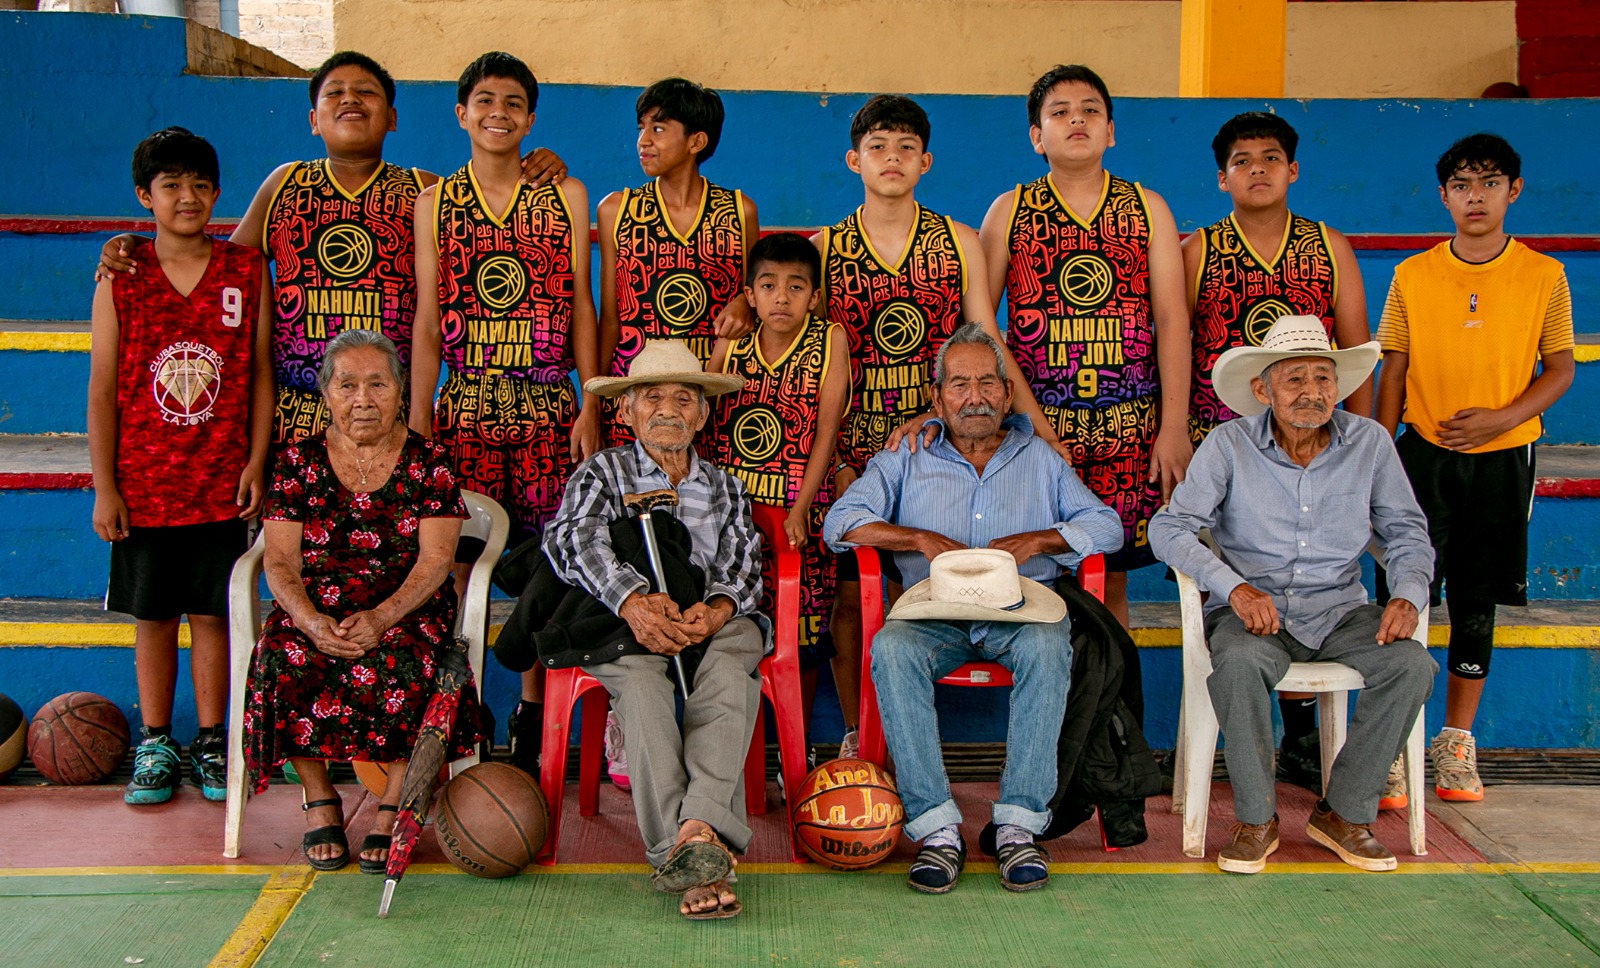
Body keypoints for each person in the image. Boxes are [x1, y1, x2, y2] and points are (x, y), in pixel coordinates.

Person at [93, 51, 568, 447]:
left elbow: (499, 229)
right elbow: (216, 267)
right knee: (295, 553)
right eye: (335, 92)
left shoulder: (427, 192)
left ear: (393, 118)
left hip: (390, 413)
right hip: (297, 415)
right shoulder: (285, 184)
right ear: (313, 119)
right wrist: (140, 243)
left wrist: (539, 162)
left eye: (366, 92)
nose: (350, 100)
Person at [824, 324, 1123, 894]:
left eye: (988, 382)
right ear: (937, 398)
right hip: (934, 615)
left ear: (1008, 394)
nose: (976, 396)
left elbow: (1106, 526)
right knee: (890, 648)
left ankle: (1017, 826)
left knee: (1047, 644)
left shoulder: (1040, 458)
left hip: (1022, 612)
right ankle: (936, 829)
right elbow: (841, 523)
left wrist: (1039, 540)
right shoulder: (906, 457)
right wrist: (916, 538)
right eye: (959, 384)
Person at [1149, 315, 1437, 874]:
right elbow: (1170, 527)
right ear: (1263, 390)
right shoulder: (1230, 445)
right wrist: (1232, 588)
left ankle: (1344, 812)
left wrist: (1406, 592)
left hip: (1340, 610)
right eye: (1295, 380)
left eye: (1323, 379)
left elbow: (1405, 532)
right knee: (1236, 662)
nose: (1312, 393)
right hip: (1254, 615)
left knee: (1412, 666)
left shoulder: (1371, 443)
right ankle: (1256, 819)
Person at [815, 94, 1047, 758]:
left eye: (906, 148)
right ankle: (866, 735)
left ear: (926, 162)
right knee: (855, 598)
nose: (892, 159)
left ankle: (917, 739)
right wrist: (831, 457)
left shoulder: (959, 240)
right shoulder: (826, 247)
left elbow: (986, 343)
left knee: (942, 584)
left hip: (940, 446)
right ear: (854, 159)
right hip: (853, 447)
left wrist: (1028, 424)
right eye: (879, 147)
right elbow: (813, 357)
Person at [409, 52, 601, 776]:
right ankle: (465, 703)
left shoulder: (566, 194)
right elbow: (429, 321)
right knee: (461, 566)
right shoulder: (434, 202)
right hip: (469, 405)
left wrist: (590, 396)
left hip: (550, 404)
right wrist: (423, 422)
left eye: (514, 101)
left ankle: (528, 708)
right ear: (461, 114)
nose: (498, 112)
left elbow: (582, 305)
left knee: (546, 564)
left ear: (530, 117)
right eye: (483, 100)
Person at [1375, 133, 1575, 802]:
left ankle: (1455, 745)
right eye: (1462, 184)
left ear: (1513, 191)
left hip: (1501, 459)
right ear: (1444, 196)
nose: (1475, 196)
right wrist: (1378, 450)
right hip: (1422, 459)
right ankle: (1393, 744)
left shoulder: (1544, 274)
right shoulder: (1412, 274)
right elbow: (1394, 369)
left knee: (1475, 603)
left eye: (1490, 182)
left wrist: (1501, 418)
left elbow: (1562, 369)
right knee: (1402, 596)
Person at [1183, 111, 1375, 798]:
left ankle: (1301, 745)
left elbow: (1356, 353)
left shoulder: (1327, 248)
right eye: (1242, 159)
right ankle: (1251, 748)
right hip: (1227, 449)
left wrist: (1360, 447)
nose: (1258, 168)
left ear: (1293, 170)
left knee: (1311, 576)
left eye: (1271, 157)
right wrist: (1175, 430)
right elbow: (1177, 341)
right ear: (1222, 176)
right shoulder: (1199, 248)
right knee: (1249, 589)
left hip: (1314, 446)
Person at [244, 329, 484, 873]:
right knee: (282, 652)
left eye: (378, 384)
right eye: (347, 384)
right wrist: (308, 620)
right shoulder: (297, 461)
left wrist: (381, 616)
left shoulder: (429, 462)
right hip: (318, 604)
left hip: (405, 605)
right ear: (325, 393)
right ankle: (318, 796)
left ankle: (392, 801)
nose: (362, 399)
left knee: (407, 657)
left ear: (400, 391)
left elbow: (436, 561)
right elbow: (279, 562)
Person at [543, 340, 765, 920]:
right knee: (641, 688)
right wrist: (633, 600)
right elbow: (571, 540)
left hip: (711, 621)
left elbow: (743, 562)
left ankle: (693, 835)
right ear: (627, 411)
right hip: (625, 624)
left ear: (702, 414)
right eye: (652, 398)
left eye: (683, 398)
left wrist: (715, 610)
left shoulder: (724, 486)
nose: (667, 409)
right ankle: (688, 847)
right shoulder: (604, 471)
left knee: (730, 665)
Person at [88, 127, 273, 806]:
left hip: (221, 480)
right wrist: (106, 485)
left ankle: (214, 741)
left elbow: (258, 373)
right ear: (145, 195)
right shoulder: (123, 273)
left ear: (218, 193)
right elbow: (103, 387)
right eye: (170, 185)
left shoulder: (244, 271)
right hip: (144, 484)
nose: (187, 196)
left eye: (199, 184)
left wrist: (256, 459)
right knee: (153, 617)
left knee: (216, 616)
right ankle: (157, 740)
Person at [979, 64, 1193, 631]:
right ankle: (1047, 715)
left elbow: (1172, 319)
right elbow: (982, 327)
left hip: (1129, 427)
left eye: (1090, 110)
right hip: (1037, 430)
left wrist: (1174, 427)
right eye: (1060, 112)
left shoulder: (1147, 206)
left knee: (1109, 581)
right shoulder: (1010, 210)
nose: (1077, 119)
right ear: (1036, 136)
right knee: (1033, 578)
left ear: (1111, 130)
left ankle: (1108, 716)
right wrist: (1030, 418)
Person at [705, 232, 850, 732]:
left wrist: (802, 507)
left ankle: (797, 740)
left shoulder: (828, 339)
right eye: (768, 286)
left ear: (814, 296)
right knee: (731, 625)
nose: (781, 297)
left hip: (794, 505)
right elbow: (704, 416)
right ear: (750, 293)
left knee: (800, 634)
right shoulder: (733, 340)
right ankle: (735, 744)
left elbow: (827, 430)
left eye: (795, 287)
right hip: (734, 509)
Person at [597, 76, 759, 448]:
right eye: (641, 128)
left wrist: (744, 304)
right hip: (638, 392)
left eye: (658, 128)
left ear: (696, 141)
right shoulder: (617, 210)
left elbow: (756, 297)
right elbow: (610, 317)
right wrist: (594, 404)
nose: (643, 140)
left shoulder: (739, 211)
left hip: (709, 392)